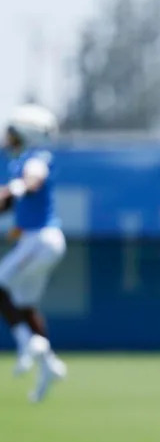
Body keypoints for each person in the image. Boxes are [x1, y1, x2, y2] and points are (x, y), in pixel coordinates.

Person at [0, 104, 67, 403]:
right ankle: (47, 364)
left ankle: (28, 344)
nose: (8, 139)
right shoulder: (22, 161)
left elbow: (32, 181)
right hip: (37, 240)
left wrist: (12, 189)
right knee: (26, 304)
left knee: (1, 285)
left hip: (40, 240)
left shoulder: (35, 159)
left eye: (13, 133)